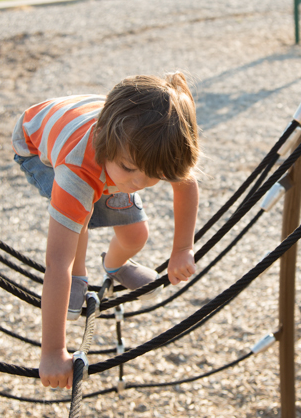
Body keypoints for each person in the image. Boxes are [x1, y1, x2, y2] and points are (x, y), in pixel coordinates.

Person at [11, 73, 200, 389]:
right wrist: (54, 352)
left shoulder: (140, 154)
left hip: (102, 137)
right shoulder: (77, 169)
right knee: (77, 219)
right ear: (104, 142)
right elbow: (57, 262)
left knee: (136, 234)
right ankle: (81, 276)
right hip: (35, 140)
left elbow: (186, 184)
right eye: (130, 169)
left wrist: (182, 248)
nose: (138, 183)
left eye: (152, 175)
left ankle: (115, 265)